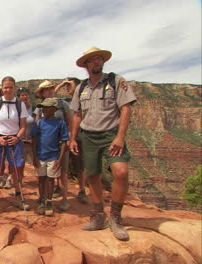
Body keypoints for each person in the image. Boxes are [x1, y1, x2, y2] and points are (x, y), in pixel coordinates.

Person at [70, 46, 137, 241]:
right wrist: (73, 138)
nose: (96, 62)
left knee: (121, 172)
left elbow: (125, 109)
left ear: (103, 62)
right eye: (92, 60)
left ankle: (115, 218)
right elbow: (76, 114)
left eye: (99, 58)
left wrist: (120, 137)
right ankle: (99, 216)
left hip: (111, 134)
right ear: (86, 65)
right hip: (89, 136)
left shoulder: (116, 81)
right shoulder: (81, 88)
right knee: (93, 175)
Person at [0, 76, 29, 220]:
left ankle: (17, 197)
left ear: (14, 88)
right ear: (2, 88)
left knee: (17, 170)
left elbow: (23, 125)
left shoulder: (19, 104)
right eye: (5, 87)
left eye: (10, 87)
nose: (8, 90)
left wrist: (17, 137)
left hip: (15, 140)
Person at [34, 80, 72, 211]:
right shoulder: (39, 109)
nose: (49, 90)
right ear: (42, 93)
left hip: (60, 147)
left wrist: (69, 141)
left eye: (51, 88)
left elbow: (70, 123)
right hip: (43, 151)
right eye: (46, 89)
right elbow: (37, 132)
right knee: (43, 177)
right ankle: (42, 200)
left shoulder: (63, 104)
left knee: (63, 173)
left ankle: (64, 199)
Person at [56, 77, 89, 204]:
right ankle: (59, 187)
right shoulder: (64, 101)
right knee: (62, 165)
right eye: (66, 86)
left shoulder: (83, 100)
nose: (67, 88)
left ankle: (81, 190)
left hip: (79, 137)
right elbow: (50, 97)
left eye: (70, 85)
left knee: (80, 165)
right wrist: (61, 84)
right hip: (64, 138)